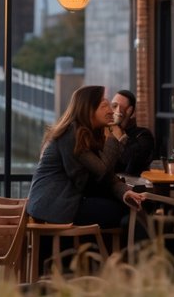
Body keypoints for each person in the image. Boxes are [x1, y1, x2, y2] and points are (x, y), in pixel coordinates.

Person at [26, 85, 147, 229]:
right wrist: (111, 137)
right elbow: (101, 170)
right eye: (105, 106)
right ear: (89, 109)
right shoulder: (72, 133)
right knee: (123, 213)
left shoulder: (91, 134)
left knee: (133, 211)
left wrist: (125, 193)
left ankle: (121, 250)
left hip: (69, 203)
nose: (110, 110)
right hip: (54, 206)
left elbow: (106, 175)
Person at [111, 89, 155, 176]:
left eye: (118, 107)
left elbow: (131, 164)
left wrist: (121, 136)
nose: (115, 111)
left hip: (132, 185)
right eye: (113, 106)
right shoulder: (104, 132)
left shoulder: (143, 135)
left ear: (130, 110)